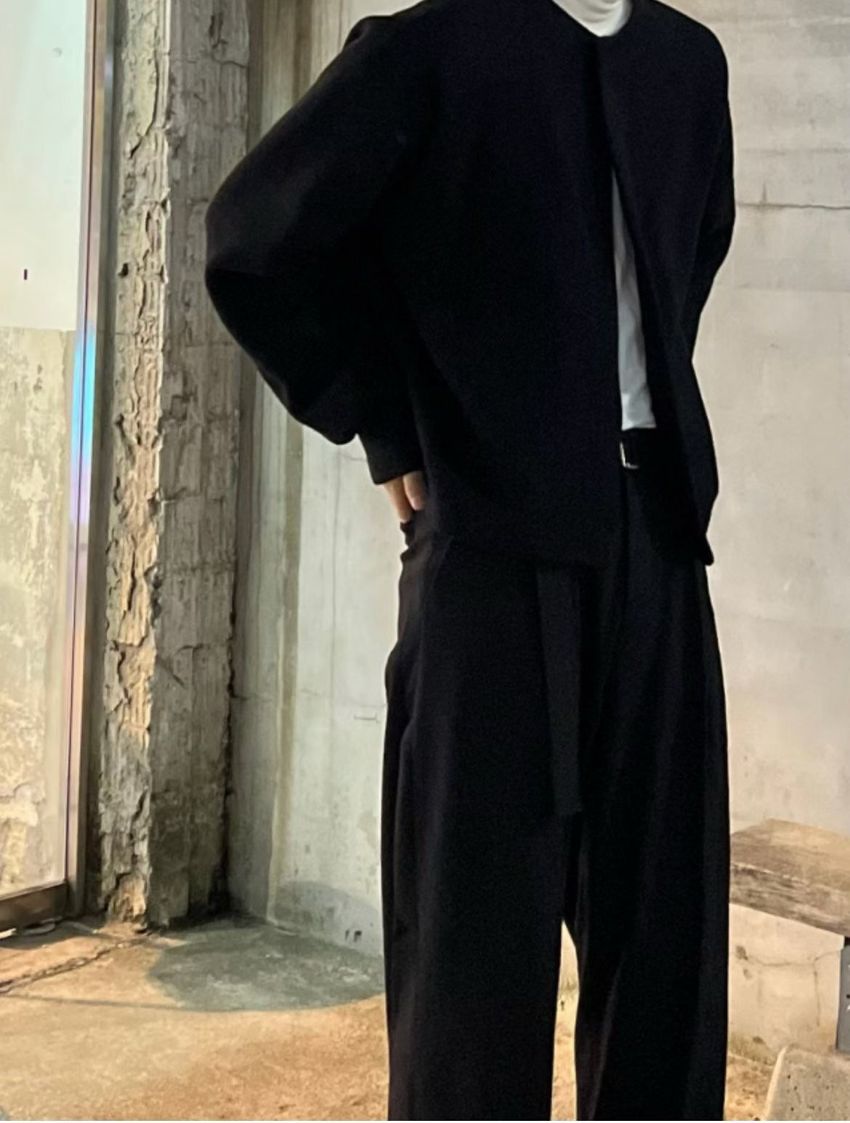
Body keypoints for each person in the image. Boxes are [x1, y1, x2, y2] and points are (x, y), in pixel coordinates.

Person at [204, 0, 736, 1117]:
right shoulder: (430, 47)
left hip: (658, 547)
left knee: (667, 946)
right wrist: (387, 422)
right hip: (488, 553)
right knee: (472, 956)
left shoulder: (687, 66)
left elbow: (691, 250)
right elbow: (256, 238)